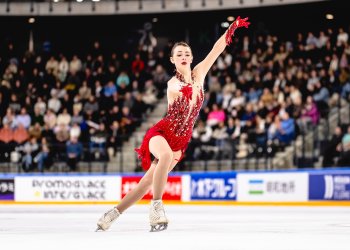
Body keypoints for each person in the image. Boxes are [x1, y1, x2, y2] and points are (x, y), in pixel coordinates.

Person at [96, 16, 250, 232]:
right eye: (179, 54)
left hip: (180, 141)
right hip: (162, 133)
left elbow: (216, 49)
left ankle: (111, 215)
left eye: (187, 53)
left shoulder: (199, 74)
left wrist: (232, 28)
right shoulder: (173, 83)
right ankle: (156, 208)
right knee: (164, 157)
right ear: (172, 60)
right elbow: (174, 88)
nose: (184, 56)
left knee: (146, 183)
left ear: (192, 57)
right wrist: (183, 91)